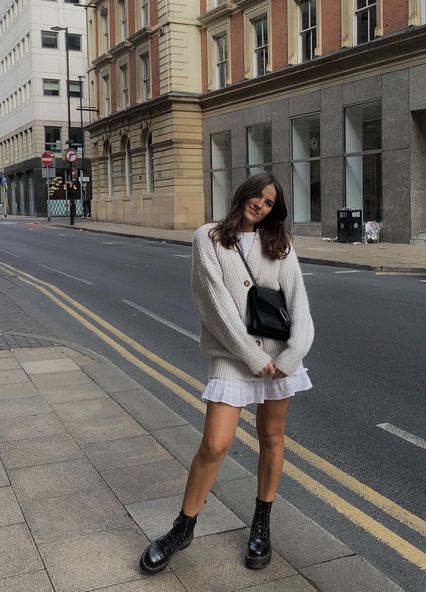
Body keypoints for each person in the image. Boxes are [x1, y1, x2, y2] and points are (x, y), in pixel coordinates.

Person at [140, 172, 314, 574]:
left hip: (278, 359)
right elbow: (215, 308)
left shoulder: (281, 244)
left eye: (270, 202)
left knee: (272, 438)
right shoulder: (210, 238)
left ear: (275, 209)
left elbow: (301, 309)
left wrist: (288, 359)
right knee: (215, 445)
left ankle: (261, 525)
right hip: (233, 357)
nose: (261, 205)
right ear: (243, 194)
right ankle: (182, 529)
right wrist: (254, 359)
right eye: (257, 196)